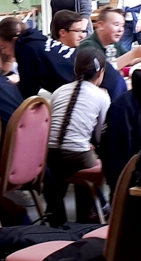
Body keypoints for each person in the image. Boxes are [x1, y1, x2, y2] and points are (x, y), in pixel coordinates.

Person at [44, 47, 108, 225]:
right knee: (89, 163)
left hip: (49, 155)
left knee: (62, 166)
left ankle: (56, 217)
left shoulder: (58, 91)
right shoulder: (101, 96)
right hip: (77, 155)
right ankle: (86, 216)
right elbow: (101, 136)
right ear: (101, 73)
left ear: (75, 70)